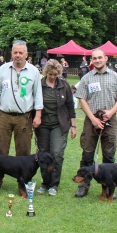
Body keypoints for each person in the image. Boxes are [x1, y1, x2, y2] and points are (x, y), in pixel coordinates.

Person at [0, 40, 43, 194]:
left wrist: (37, 115)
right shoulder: (3, 69)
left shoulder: (33, 72)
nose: (18, 55)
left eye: (21, 53)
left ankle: (23, 183)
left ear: (26, 54)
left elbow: (38, 95)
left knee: (24, 151)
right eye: (15, 52)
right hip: (4, 115)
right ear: (11, 54)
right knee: (0, 149)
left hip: (24, 117)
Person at [74, 49, 117, 198]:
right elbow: (82, 99)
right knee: (87, 155)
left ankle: (110, 187)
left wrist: (110, 113)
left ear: (106, 58)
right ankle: (83, 185)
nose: (97, 60)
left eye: (100, 58)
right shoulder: (87, 78)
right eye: (94, 58)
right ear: (91, 60)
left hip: (109, 119)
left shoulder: (116, 77)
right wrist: (93, 119)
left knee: (109, 155)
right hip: (91, 119)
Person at [35, 60, 76, 197]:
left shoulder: (64, 85)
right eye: (50, 74)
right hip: (42, 125)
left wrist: (74, 126)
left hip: (59, 124)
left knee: (57, 153)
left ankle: (54, 184)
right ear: (46, 72)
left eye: (55, 74)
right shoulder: (39, 85)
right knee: (43, 153)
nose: (52, 77)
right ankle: (45, 182)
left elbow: (70, 106)